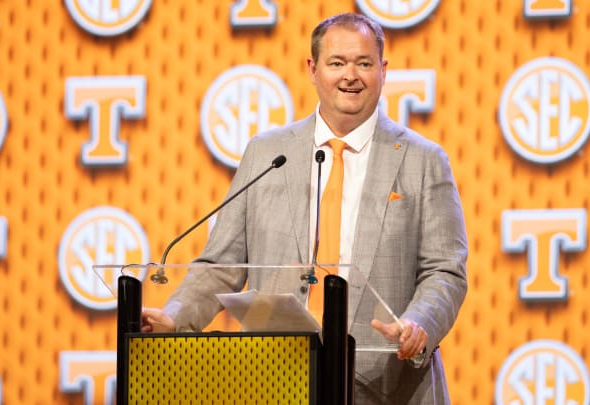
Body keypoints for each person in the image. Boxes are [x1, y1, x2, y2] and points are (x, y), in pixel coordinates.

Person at [141, 12, 468, 404]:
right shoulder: (267, 153)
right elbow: (222, 264)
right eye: (337, 63)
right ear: (312, 69)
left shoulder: (423, 160)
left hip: (390, 385)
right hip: (279, 380)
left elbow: (445, 270)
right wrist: (176, 316)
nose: (351, 75)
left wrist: (419, 324)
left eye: (364, 63)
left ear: (383, 70)